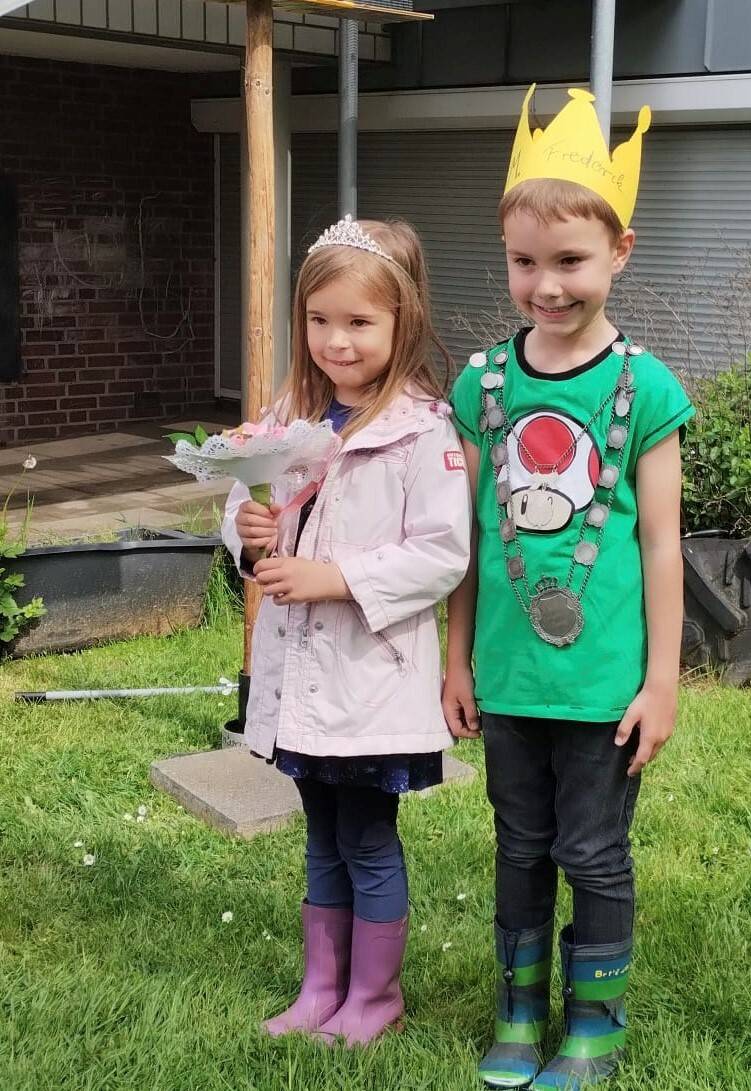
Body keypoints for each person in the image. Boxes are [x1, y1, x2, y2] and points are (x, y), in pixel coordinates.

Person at [443, 87, 695, 1090]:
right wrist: (454, 658)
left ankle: (592, 1022)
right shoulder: (482, 387)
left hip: (601, 689)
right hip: (507, 681)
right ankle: (518, 1012)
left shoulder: (648, 389)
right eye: (523, 261)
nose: (544, 285)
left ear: (619, 250)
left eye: (569, 261)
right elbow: (464, 536)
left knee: (591, 851)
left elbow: (668, 549)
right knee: (518, 847)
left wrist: (663, 680)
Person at [221, 215, 471, 1046]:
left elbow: (441, 552)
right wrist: (249, 533)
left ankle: (375, 998)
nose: (336, 339)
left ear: (402, 321)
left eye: (359, 322)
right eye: (320, 319)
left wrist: (334, 579)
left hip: (371, 681)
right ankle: (320, 986)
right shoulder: (290, 414)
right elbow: (245, 504)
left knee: (365, 833)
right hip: (301, 680)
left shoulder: (420, 428)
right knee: (321, 832)